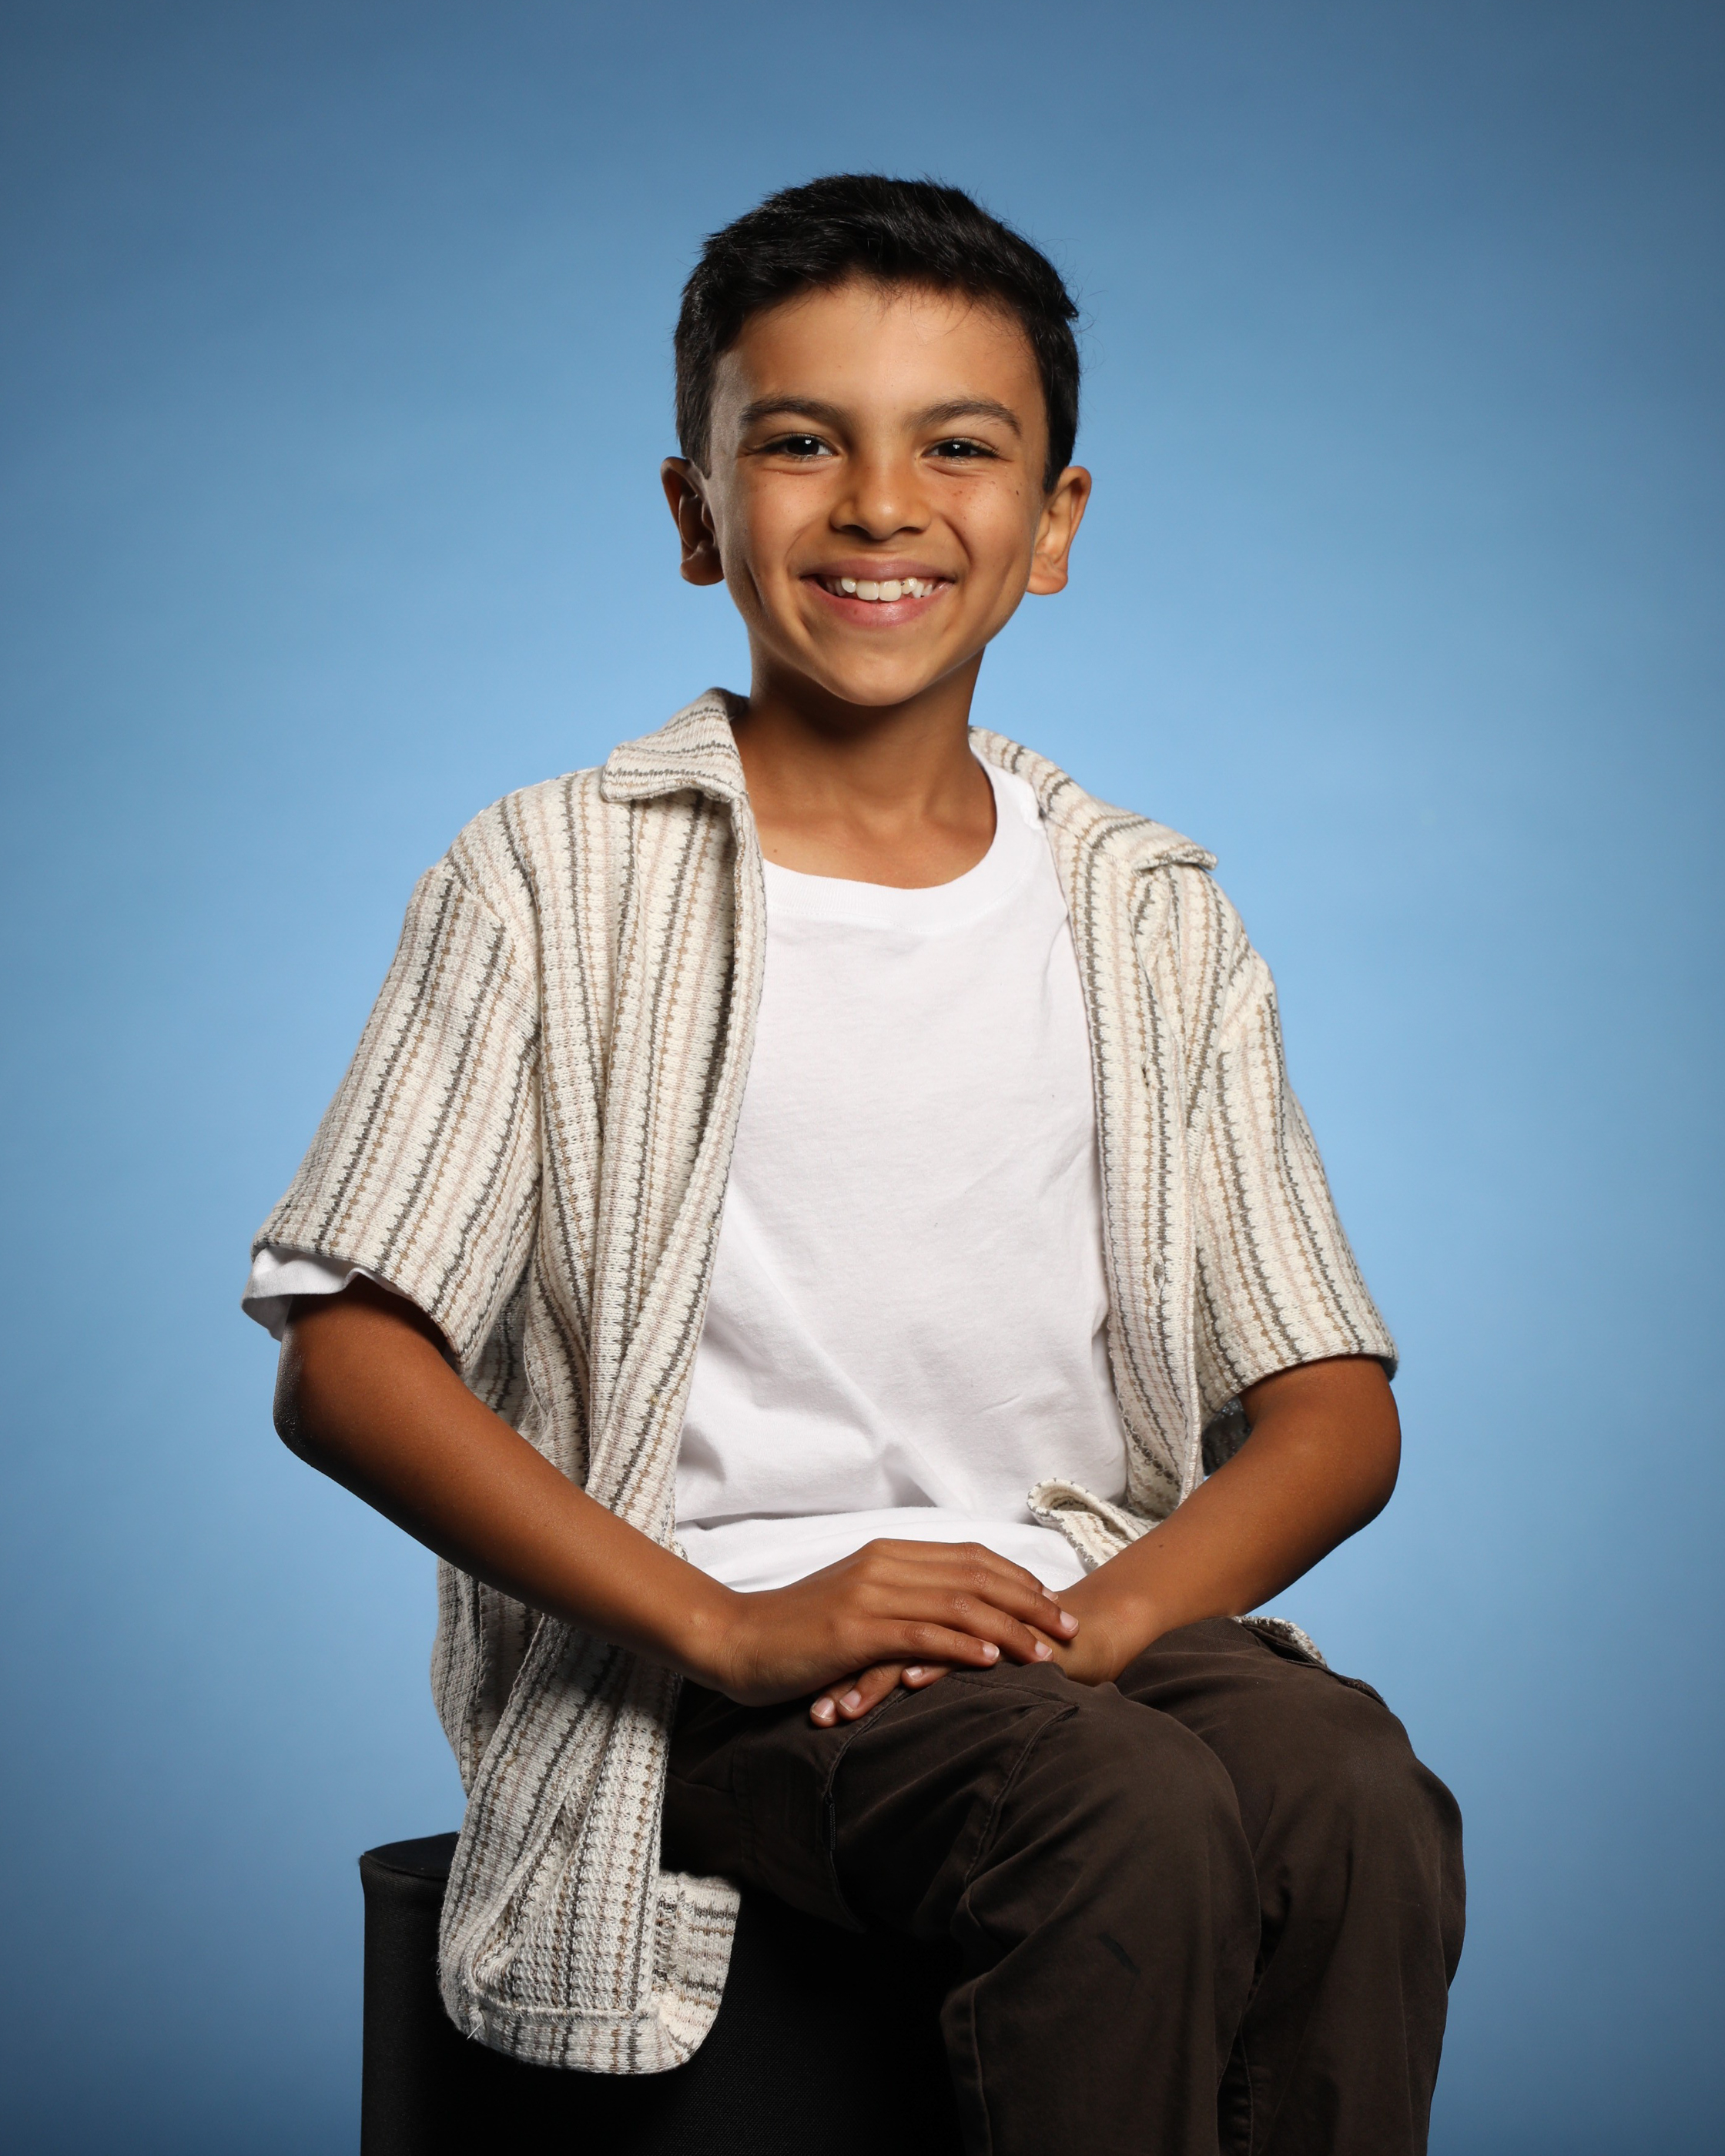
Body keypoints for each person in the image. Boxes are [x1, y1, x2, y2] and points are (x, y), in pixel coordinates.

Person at [246, 174, 1463, 2154]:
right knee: (1123, 1814)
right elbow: (345, 1359)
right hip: (708, 1675)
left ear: (1053, 523)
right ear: (694, 511)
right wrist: (734, 1624)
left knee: (1352, 1795)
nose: (881, 503)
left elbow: (1332, 1409)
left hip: (1075, 1628)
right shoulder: (550, 875)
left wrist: (1099, 1624)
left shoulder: (1148, 914)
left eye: (957, 448)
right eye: (801, 442)